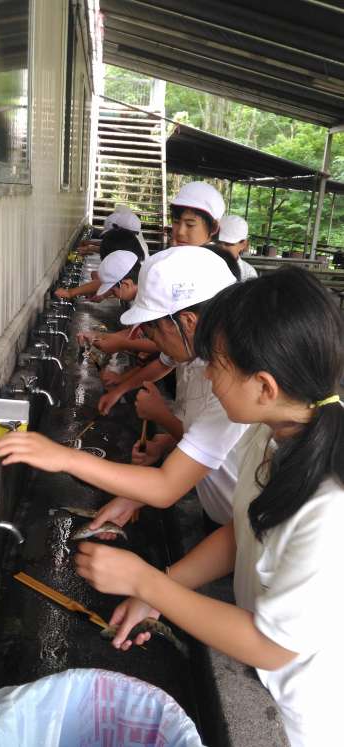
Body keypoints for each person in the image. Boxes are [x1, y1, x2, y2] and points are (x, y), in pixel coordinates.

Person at [73, 267, 344, 747]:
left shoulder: (328, 507)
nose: (208, 375)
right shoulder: (273, 435)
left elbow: (272, 646)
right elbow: (243, 531)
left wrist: (146, 581)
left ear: (265, 386)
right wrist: (161, 591)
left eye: (217, 363)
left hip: (296, 719)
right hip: (262, 678)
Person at [0, 245, 246, 532]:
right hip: (226, 516)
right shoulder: (197, 353)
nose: (150, 339)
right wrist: (157, 458)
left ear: (187, 322)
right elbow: (207, 441)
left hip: (238, 521)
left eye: (151, 328)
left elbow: (166, 487)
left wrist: (65, 457)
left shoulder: (232, 384)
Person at [97, 181, 231, 414]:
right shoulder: (173, 263)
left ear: (213, 228)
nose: (180, 232)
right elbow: (166, 357)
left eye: (190, 224)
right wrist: (121, 387)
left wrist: (161, 415)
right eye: (176, 222)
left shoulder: (212, 277)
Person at [55, 228, 145, 301]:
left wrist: (70, 293)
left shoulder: (145, 297)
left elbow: (107, 281)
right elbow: (115, 280)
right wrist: (90, 247)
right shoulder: (134, 262)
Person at [217, 215, 257, 280]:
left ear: (243, 244)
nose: (221, 247)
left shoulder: (248, 273)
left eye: (228, 244)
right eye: (217, 242)